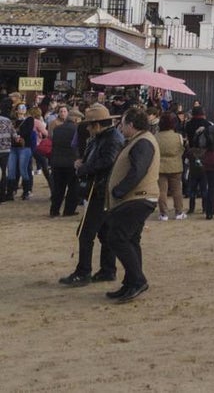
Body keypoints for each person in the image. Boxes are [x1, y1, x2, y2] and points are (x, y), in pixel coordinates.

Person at [59, 104, 123, 287]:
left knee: (86, 232)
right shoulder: (103, 137)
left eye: (89, 125)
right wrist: (83, 162)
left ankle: (84, 272)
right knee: (104, 232)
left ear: (97, 124)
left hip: (102, 191)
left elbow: (108, 161)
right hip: (99, 190)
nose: (87, 128)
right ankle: (107, 270)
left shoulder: (111, 139)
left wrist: (83, 167)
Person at [102, 105, 160, 303]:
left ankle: (137, 280)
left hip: (138, 198)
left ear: (131, 124)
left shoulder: (143, 142)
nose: (120, 127)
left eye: (123, 123)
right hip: (137, 197)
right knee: (130, 239)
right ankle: (130, 282)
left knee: (117, 238)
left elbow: (138, 170)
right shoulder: (138, 140)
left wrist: (120, 190)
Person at [48, 106, 81, 217]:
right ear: (76, 119)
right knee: (73, 188)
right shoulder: (77, 130)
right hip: (71, 163)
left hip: (57, 162)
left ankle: (54, 210)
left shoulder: (57, 129)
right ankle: (68, 210)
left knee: (58, 188)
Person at [154, 112, 186, 221]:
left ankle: (164, 213)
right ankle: (179, 212)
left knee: (162, 191)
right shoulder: (178, 137)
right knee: (177, 190)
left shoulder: (156, 137)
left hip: (160, 166)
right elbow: (182, 149)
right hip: (176, 166)